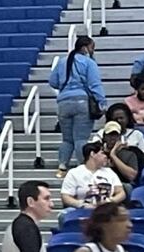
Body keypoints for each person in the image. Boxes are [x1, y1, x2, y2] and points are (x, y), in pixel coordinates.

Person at [49, 36, 106, 178]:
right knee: (81, 138)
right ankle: (83, 165)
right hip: (81, 101)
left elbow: (52, 81)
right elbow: (94, 84)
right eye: (92, 48)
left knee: (67, 139)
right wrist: (102, 102)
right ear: (85, 48)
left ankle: (62, 166)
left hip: (63, 102)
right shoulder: (88, 62)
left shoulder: (62, 62)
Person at [59, 142, 126, 225]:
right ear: (92, 154)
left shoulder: (109, 172)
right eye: (102, 153)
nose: (106, 157)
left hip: (106, 208)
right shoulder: (74, 173)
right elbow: (65, 196)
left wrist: (110, 201)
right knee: (63, 215)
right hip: (82, 209)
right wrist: (81, 204)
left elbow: (121, 193)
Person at [97, 122, 140, 194]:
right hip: (100, 184)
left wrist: (113, 155)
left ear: (120, 137)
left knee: (127, 187)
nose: (113, 138)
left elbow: (131, 176)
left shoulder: (129, 154)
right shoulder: (96, 152)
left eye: (115, 135)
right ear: (104, 137)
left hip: (122, 185)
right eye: (110, 135)